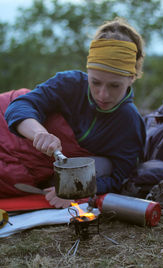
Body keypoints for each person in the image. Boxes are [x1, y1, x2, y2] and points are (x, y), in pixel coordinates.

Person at [4, 17, 146, 208]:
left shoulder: (129, 122)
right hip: (12, 134)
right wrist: (40, 134)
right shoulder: (69, 83)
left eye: (114, 85)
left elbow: (120, 177)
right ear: (88, 71)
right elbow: (19, 106)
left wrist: (75, 189)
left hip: (32, 167)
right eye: (95, 82)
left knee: (9, 176)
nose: (103, 95)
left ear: (131, 78)